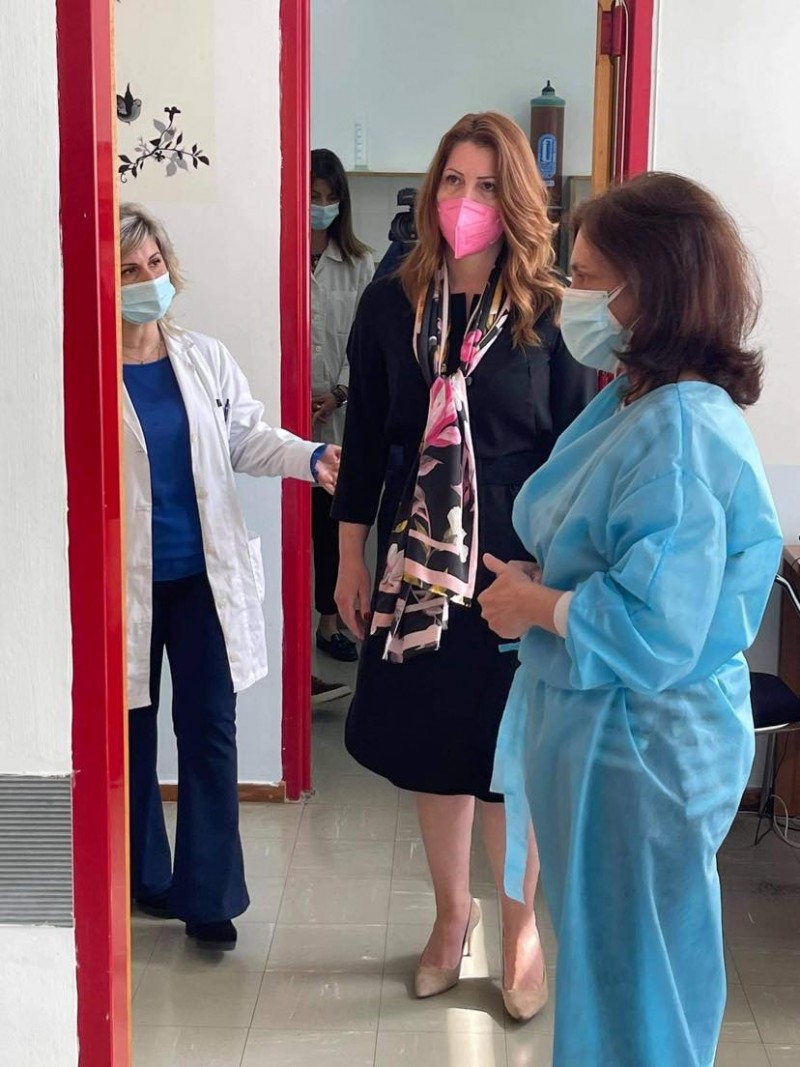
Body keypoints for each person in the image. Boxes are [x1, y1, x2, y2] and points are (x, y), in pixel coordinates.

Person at [479, 173, 783, 1065]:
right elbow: (613, 552)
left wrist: (539, 604)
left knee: (639, 985)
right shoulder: (635, 398)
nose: (567, 296)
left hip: (641, 746)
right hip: (603, 733)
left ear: (650, 287)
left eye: (584, 277)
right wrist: (546, 580)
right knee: (608, 969)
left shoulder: (681, 430)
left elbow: (659, 628)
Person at [333, 112, 596, 1018]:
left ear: (516, 197)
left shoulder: (550, 312)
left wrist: (553, 585)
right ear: (432, 189)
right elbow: (366, 443)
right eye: (454, 180)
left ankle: (519, 929)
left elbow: (577, 453)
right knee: (434, 752)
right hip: (415, 571)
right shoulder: (390, 303)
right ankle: (453, 918)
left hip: (514, 572)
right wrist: (350, 556)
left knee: (505, 759)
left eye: (487, 185)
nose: (466, 200)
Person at [119, 203, 339, 950]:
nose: (147, 280)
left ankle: (209, 896)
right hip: (123, 586)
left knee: (210, 729)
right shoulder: (83, 371)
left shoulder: (202, 357)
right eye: (128, 271)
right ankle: (145, 876)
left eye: (154, 264)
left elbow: (246, 437)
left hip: (201, 581)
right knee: (131, 733)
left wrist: (311, 456)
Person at [310, 149, 374, 681]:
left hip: (336, 411)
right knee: (289, 530)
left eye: (331, 199)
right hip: (284, 414)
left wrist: (338, 393)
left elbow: (363, 345)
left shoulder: (359, 264)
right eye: (314, 197)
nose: (322, 207)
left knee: (330, 524)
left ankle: (328, 623)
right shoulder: (278, 250)